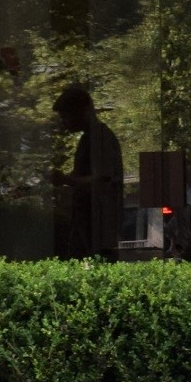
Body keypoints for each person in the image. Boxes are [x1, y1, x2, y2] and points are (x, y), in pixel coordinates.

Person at [53, 84, 125, 259]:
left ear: (83, 111)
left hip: (97, 227)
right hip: (91, 226)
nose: (63, 122)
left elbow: (102, 181)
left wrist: (65, 179)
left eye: (66, 116)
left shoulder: (99, 139)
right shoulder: (91, 138)